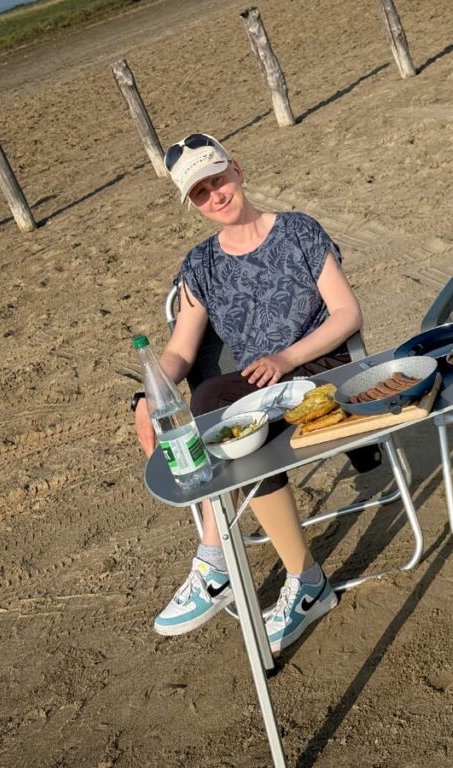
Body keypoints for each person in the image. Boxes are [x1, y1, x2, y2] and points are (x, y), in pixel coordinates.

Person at [133, 132, 375, 653]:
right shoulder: (202, 265)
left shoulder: (297, 232)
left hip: (320, 372)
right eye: (200, 192)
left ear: (237, 170)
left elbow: (347, 314)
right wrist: (145, 396)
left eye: (218, 180)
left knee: (219, 413)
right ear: (192, 204)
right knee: (210, 409)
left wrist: (288, 357)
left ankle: (223, 566)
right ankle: (292, 578)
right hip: (260, 393)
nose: (216, 195)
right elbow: (179, 350)